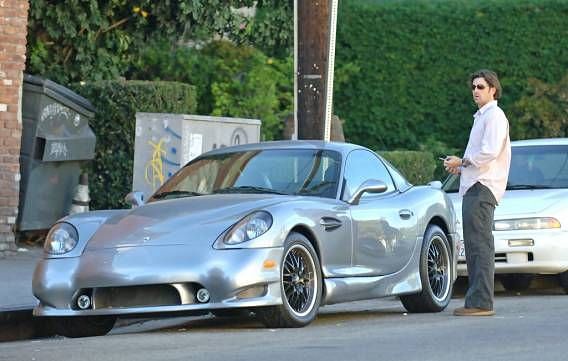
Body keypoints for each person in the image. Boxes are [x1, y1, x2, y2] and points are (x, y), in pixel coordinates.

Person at [444, 69, 511, 316]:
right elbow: (484, 157)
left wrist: (462, 161)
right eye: (473, 87)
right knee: (474, 245)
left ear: (493, 89)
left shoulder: (494, 116)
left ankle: (481, 302)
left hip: (482, 188)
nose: (475, 91)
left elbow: (489, 152)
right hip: (476, 185)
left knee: (479, 245)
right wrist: (461, 168)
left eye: (481, 87)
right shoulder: (482, 117)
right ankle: (477, 300)